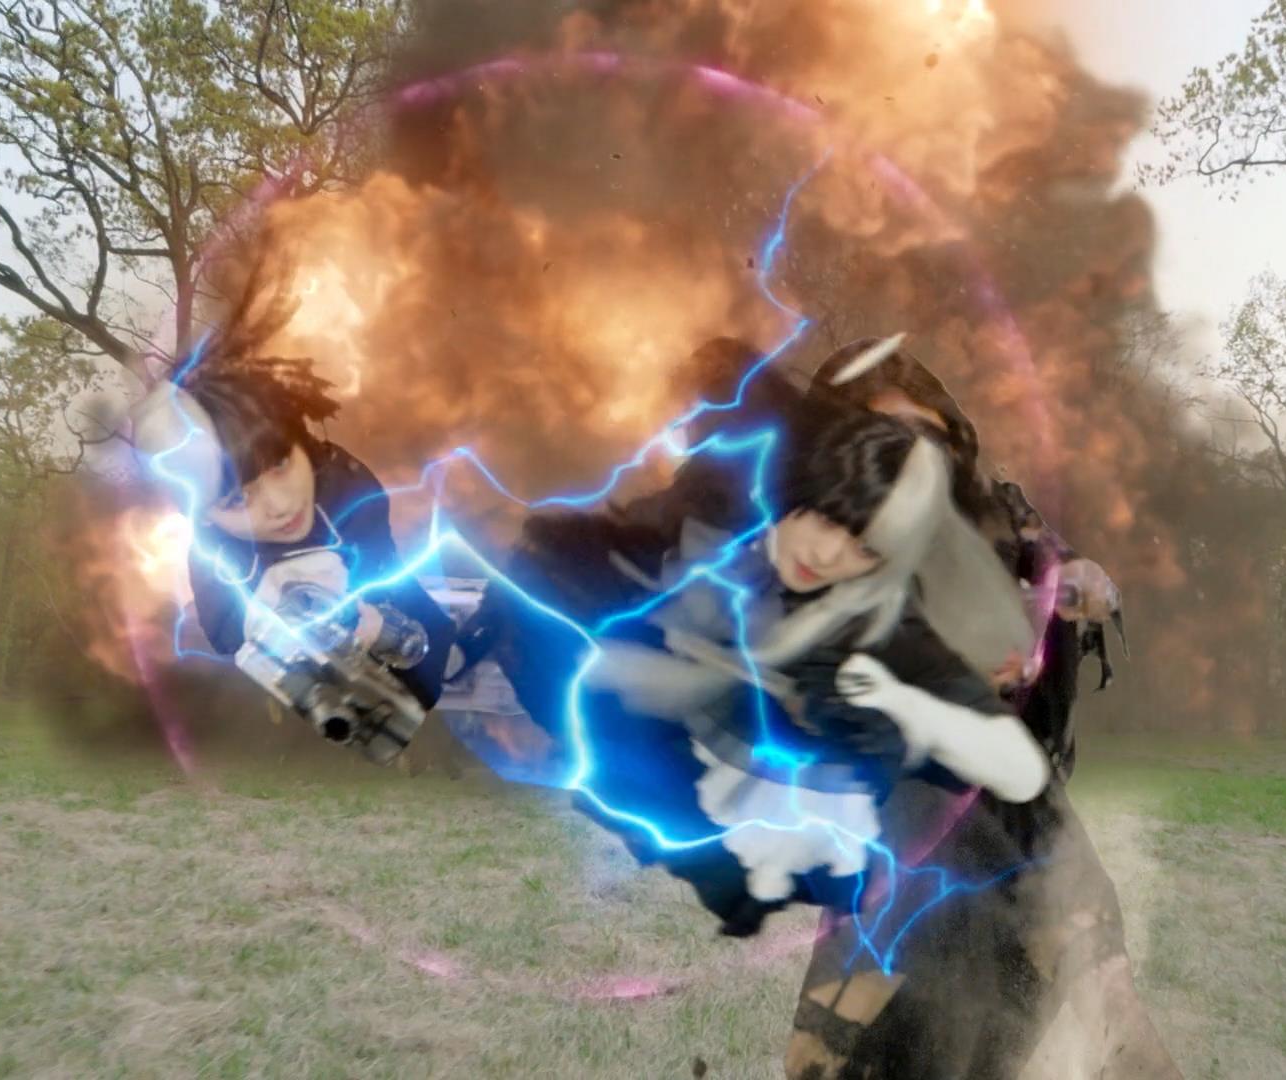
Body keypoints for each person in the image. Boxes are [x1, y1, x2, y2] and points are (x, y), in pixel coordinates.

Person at [460, 385, 1053, 936]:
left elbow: (1020, 771)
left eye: (864, 548)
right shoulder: (704, 523)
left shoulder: (879, 623)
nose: (828, 555)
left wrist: (906, 706)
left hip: (768, 814)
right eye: (826, 519)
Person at [785, 337, 1178, 1080]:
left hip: (1005, 867)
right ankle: (1107, 1002)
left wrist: (1086, 586)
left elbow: (1065, 570)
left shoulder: (1001, 516)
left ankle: (1109, 1006)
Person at [129, 314, 455, 713]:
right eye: (237, 500)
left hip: (383, 607)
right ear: (204, 516)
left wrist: (367, 612)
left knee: (430, 649)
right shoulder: (213, 556)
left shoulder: (343, 481)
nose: (280, 505)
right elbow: (223, 630)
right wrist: (256, 620)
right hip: (315, 668)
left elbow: (379, 551)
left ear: (301, 442)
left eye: (281, 464)